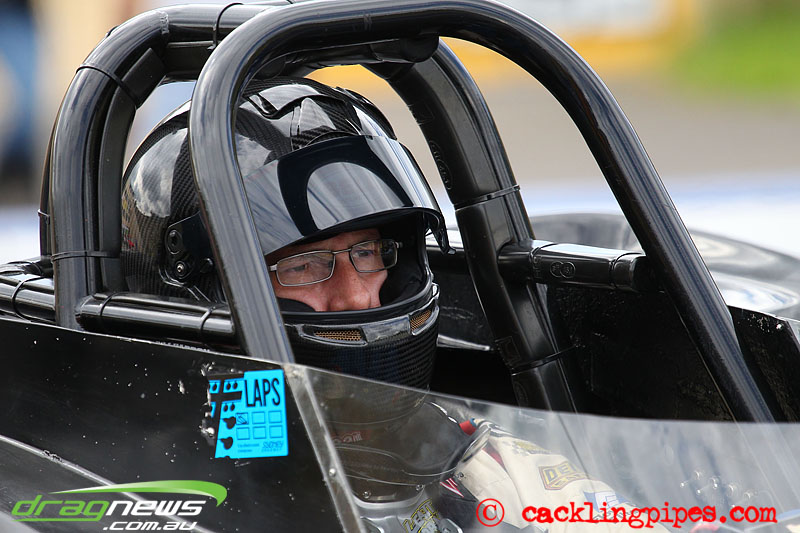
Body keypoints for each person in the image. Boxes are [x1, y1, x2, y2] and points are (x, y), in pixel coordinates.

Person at [121, 77, 667, 532]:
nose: (358, 294)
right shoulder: (131, 491)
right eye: (303, 265)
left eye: (368, 252)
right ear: (203, 293)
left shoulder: (491, 471)